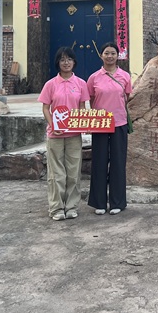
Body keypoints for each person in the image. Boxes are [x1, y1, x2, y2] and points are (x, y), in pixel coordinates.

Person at [39, 46, 91, 221]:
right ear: (58, 63)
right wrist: (53, 124)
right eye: (62, 59)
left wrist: (84, 123)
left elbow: (82, 107)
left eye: (69, 59)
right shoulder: (50, 84)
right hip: (55, 135)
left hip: (74, 135)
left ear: (74, 62)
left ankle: (71, 206)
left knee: (74, 172)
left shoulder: (81, 83)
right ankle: (56, 208)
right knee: (56, 174)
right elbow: (45, 108)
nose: (66, 62)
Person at [87, 42, 133, 216]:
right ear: (101, 55)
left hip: (119, 122)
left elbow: (127, 96)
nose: (110, 56)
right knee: (99, 162)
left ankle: (117, 202)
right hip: (99, 123)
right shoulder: (94, 78)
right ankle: (99, 202)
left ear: (117, 56)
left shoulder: (125, 76)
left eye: (113, 53)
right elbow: (91, 99)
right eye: (106, 53)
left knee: (118, 163)